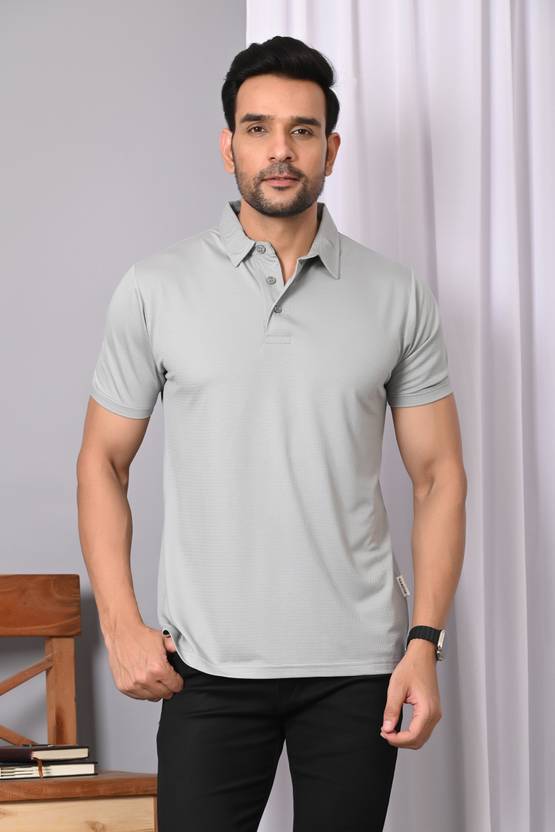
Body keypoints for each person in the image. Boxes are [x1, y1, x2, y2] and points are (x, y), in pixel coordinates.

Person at [76, 34, 467, 832]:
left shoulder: (396, 295)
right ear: (228, 146)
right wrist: (121, 625)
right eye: (257, 129)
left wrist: (423, 641)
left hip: (357, 667)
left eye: (301, 130)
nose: (279, 151)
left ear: (331, 149)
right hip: (206, 666)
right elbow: (101, 463)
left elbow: (438, 477)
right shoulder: (155, 289)